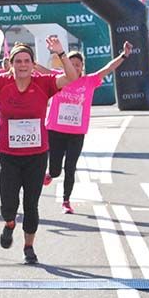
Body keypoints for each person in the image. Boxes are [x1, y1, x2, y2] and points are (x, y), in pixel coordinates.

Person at [0, 36, 78, 264]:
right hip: (9, 155)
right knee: (8, 204)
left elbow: (72, 78)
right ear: (11, 63)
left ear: (33, 63)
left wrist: (61, 53)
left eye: (27, 60)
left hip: (36, 156)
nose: (23, 65)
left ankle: (29, 247)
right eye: (18, 61)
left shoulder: (44, 83)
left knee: (31, 204)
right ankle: (9, 223)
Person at [42, 42, 134, 214]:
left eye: (78, 65)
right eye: (71, 64)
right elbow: (38, 70)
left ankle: (66, 201)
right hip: (55, 131)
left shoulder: (89, 81)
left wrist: (124, 55)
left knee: (70, 167)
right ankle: (50, 174)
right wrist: (25, 59)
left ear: (82, 67)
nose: (75, 67)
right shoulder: (57, 78)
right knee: (55, 170)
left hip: (76, 133)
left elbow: (108, 68)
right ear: (65, 65)